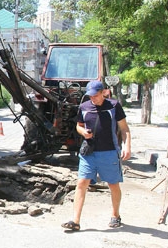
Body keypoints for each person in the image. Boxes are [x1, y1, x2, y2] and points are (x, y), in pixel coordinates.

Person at [61, 80, 131, 231]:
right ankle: (75, 221)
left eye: (96, 95)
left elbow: (124, 129)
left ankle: (115, 215)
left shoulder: (113, 106)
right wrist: (83, 132)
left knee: (113, 184)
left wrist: (127, 146)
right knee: (81, 183)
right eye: (90, 96)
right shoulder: (84, 107)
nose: (93, 99)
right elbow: (78, 126)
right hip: (88, 152)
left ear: (104, 93)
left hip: (109, 152)